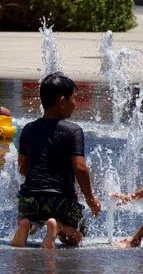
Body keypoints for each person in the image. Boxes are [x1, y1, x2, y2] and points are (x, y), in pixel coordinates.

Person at [11, 72, 101, 249]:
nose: (75, 104)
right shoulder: (73, 131)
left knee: (31, 217)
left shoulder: (28, 129)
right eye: (73, 99)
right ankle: (58, 226)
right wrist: (90, 198)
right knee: (77, 237)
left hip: (30, 197)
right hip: (59, 199)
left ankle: (26, 224)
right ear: (62, 101)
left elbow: (22, 167)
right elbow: (80, 168)